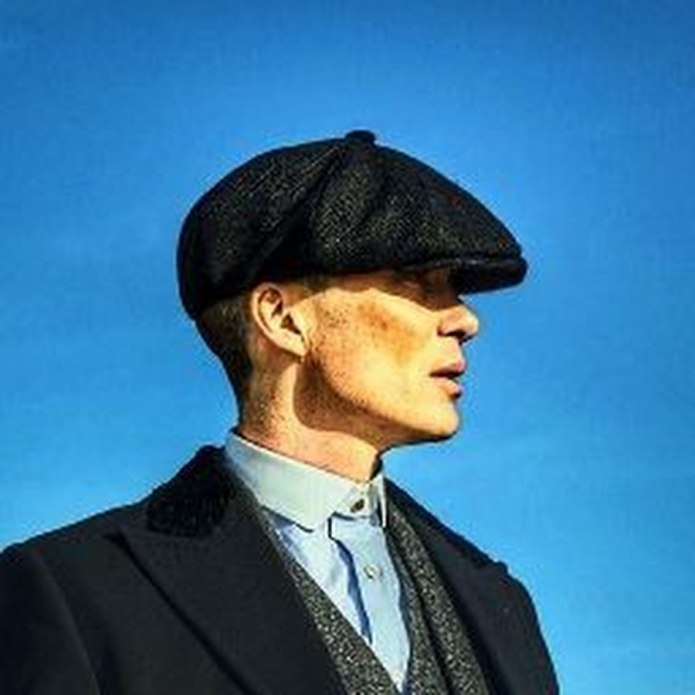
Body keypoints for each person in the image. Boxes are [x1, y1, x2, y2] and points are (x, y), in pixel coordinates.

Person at [0, 130, 558, 694]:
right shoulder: (75, 596)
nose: (465, 319)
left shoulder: (500, 603)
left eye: (454, 287)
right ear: (283, 318)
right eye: (414, 280)